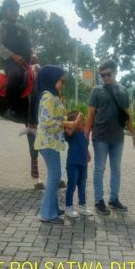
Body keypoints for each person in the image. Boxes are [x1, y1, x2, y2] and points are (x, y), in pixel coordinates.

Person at [84, 59, 135, 214]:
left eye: (108, 74)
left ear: (115, 72)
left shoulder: (123, 91)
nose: (105, 78)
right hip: (100, 137)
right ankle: (98, 201)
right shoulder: (96, 91)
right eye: (102, 75)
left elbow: (127, 115)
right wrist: (85, 138)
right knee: (99, 169)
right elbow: (90, 116)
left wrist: (133, 134)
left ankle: (114, 199)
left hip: (117, 138)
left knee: (116, 169)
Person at [33, 66, 81, 224]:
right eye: (61, 81)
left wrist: (70, 121)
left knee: (54, 176)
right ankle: (47, 214)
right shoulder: (48, 97)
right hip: (48, 143)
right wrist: (68, 124)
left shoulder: (52, 96)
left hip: (51, 143)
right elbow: (47, 123)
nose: (63, 84)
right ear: (52, 79)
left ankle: (52, 208)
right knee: (54, 176)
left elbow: (57, 117)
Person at [0, 0, 33, 121]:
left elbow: (29, 45)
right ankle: (10, 108)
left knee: (42, 74)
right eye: (12, 9)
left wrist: (34, 54)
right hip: (10, 61)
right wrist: (14, 56)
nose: (15, 12)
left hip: (27, 61)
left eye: (17, 9)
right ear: (4, 11)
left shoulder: (22, 28)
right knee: (16, 75)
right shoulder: (0, 27)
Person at [64, 110, 90, 218]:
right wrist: (75, 122)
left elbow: (84, 145)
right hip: (73, 163)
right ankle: (68, 207)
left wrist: (88, 153)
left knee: (82, 185)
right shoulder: (71, 132)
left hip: (83, 164)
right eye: (80, 120)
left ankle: (82, 206)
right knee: (72, 185)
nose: (82, 121)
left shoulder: (83, 133)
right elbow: (68, 131)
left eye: (82, 120)